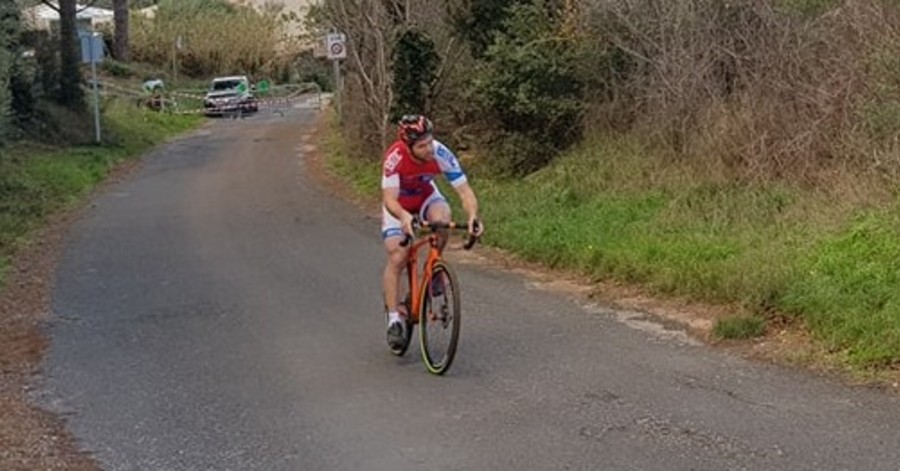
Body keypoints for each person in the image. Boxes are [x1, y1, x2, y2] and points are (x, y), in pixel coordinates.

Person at [381, 114, 485, 350]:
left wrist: (472, 216)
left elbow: (465, 192)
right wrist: (405, 217)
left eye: (429, 141)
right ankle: (394, 319)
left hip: (426, 196)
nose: (428, 149)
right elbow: (389, 199)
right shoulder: (394, 158)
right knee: (398, 255)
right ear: (409, 147)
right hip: (398, 206)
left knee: (443, 218)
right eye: (421, 146)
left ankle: (434, 267)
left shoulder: (440, 153)